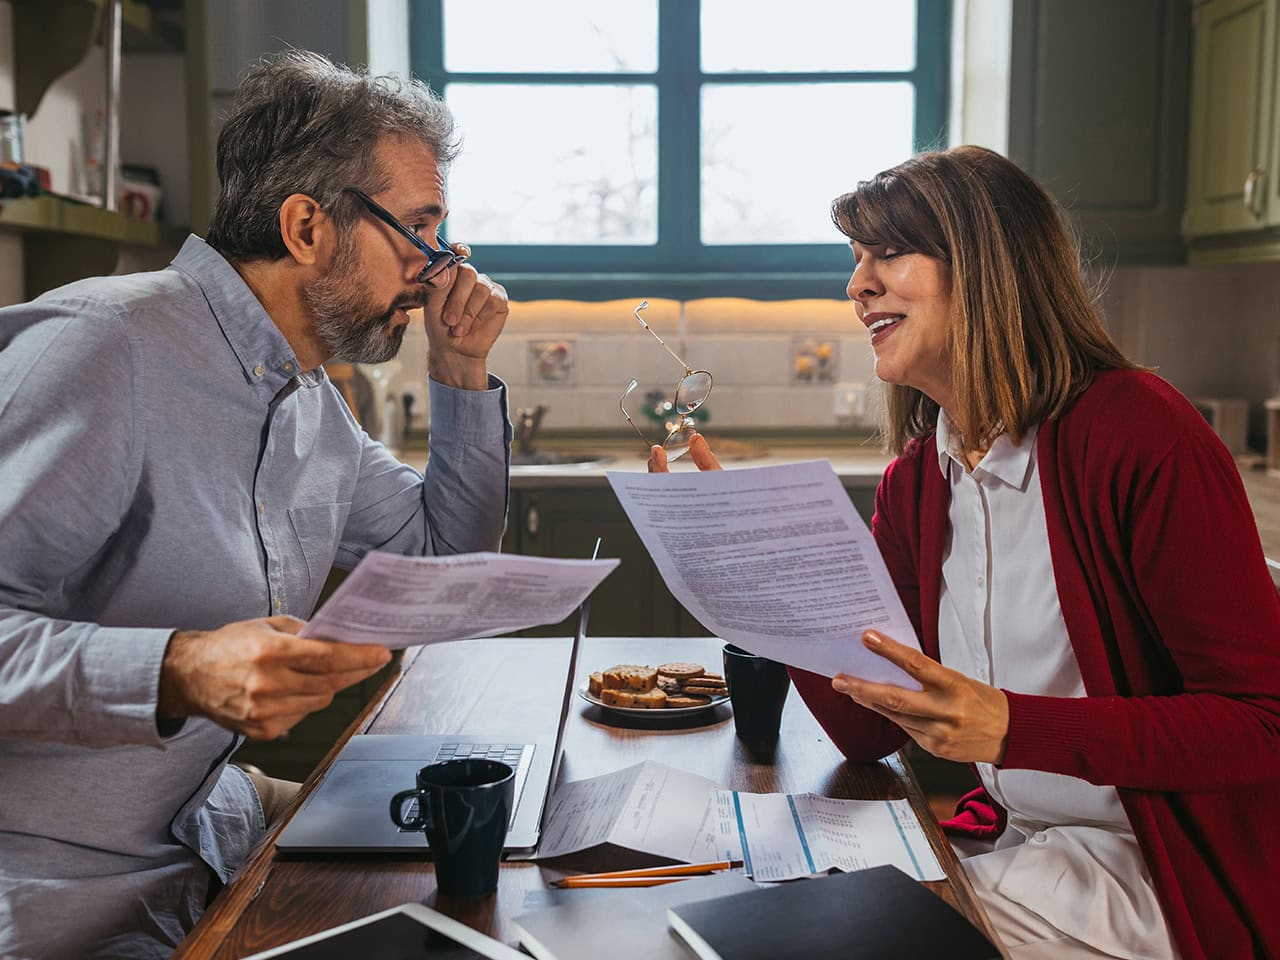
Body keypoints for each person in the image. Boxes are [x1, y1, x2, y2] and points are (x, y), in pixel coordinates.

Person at [651, 145, 1280, 959]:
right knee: (732, 914)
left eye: (888, 253)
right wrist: (764, 574)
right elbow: (867, 732)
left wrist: (1014, 727)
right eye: (855, 260)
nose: (857, 286)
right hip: (1025, 847)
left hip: (1161, 879)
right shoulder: (918, 481)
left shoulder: (1142, 435)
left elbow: (1260, 720)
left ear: (987, 266)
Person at [0, 51, 512, 959]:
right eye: (422, 233)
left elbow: (445, 567)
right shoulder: (105, 348)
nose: (440, 272)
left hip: (206, 825)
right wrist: (180, 667)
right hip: (62, 884)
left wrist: (461, 368)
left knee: (496, 872)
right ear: (308, 226)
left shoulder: (308, 398)